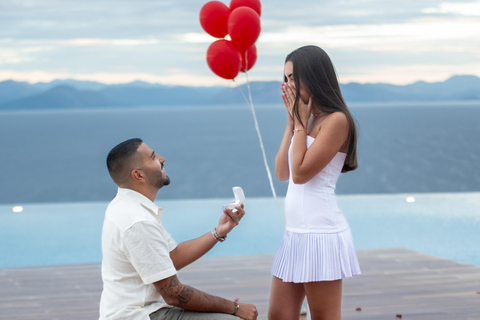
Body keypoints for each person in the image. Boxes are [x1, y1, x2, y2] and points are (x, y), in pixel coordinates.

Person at [99, 138, 258, 320]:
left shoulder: (127, 206)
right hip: (138, 315)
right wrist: (235, 308)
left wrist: (219, 231)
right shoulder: (137, 221)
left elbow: (172, 257)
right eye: (152, 157)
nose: (162, 158)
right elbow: (174, 293)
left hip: (145, 310)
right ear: (139, 175)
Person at [268, 45, 361, 320]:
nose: (289, 85)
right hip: (296, 233)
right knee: (279, 315)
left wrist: (299, 123)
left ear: (314, 75)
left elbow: (300, 173)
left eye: (293, 77)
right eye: (285, 79)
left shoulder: (336, 120)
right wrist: (292, 123)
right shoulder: (305, 121)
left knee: (324, 316)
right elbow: (282, 173)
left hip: (321, 234)